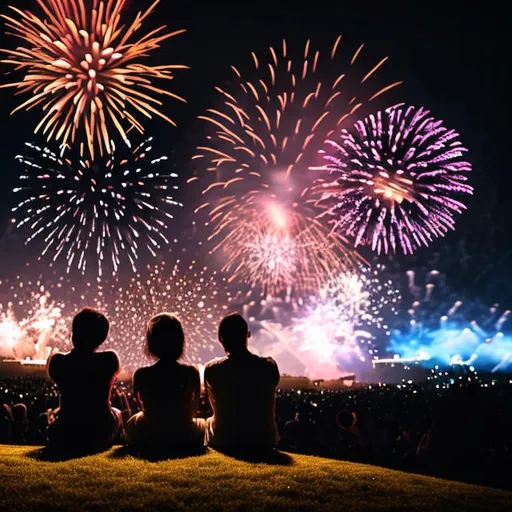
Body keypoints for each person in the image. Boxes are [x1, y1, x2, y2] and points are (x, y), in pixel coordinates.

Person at [126, 313, 205, 454]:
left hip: (150, 433)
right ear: (180, 341)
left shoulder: (141, 374)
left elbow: (139, 406)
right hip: (184, 433)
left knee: (133, 421)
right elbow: (194, 409)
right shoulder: (191, 372)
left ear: (151, 342)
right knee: (202, 423)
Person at [47, 308, 122, 453]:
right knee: (118, 412)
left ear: (74, 333)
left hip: (66, 430)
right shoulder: (109, 359)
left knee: (55, 414)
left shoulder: (58, 361)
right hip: (100, 430)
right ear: (101, 338)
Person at [204, 313, 280, 451]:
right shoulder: (269, 366)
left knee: (207, 422)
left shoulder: (212, 369)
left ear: (220, 339)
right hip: (263, 439)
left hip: (225, 439)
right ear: (248, 335)